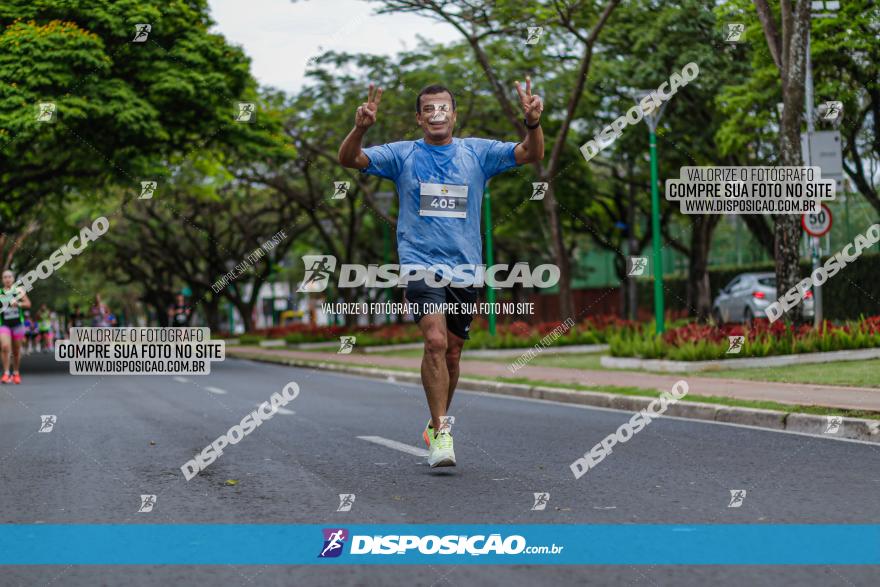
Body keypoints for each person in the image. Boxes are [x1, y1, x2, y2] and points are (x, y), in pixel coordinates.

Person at [337, 80, 544, 467]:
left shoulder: (478, 153)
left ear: (454, 114)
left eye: (443, 108)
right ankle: (443, 432)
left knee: (451, 352)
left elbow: (530, 154)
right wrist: (360, 128)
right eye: (429, 109)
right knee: (433, 341)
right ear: (419, 118)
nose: (436, 114)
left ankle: (434, 426)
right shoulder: (402, 155)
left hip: (466, 268)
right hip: (419, 264)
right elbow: (349, 159)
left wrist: (532, 123)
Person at [0, 269, 32, 384]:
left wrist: (17, 303)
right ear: (2, 280)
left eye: (9, 277)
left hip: (17, 324)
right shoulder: (0, 292)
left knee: (16, 351)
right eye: (5, 277)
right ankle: (6, 373)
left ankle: (16, 372)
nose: (7, 279)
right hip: (4, 324)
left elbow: (28, 304)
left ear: (13, 279)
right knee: (4, 347)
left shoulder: (18, 291)